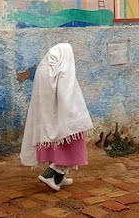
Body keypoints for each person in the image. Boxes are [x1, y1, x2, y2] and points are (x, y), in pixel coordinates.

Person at [20, 43, 94, 191]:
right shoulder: (62, 71)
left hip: (48, 117)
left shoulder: (44, 69)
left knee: (54, 144)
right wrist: (74, 112)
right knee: (70, 143)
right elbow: (67, 92)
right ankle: (52, 174)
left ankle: (60, 177)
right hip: (64, 115)